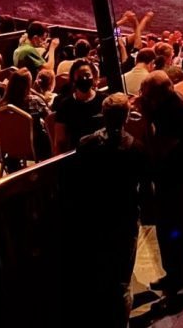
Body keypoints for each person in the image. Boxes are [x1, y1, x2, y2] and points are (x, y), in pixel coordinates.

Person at [72, 93, 148, 326]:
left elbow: (78, 182)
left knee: (96, 270)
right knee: (122, 279)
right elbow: (145, 189)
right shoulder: (136, 148)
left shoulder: (86, 144)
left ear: (103, 115)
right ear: (127, 117)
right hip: (124, 218)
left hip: (93, 216)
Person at [139, 71, 183, 308]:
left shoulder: (181, 111)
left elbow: (159, 148)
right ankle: (170, 274)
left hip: (182, 177)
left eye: (146, 95)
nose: (142, 98)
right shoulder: (159, 105)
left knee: (181, 231)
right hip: (166, 175)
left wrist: (146, 119)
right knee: (165, 229)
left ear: (158, 96)